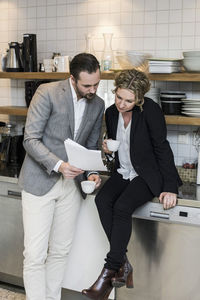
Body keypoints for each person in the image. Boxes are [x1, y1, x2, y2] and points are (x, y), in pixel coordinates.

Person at [82, 69, 182, 300]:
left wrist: (170, 187)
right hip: (122, 171)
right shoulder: (111, 113)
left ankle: (107, 275)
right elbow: (115, 152)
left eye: (129, 101)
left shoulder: (151, 112)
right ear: (115, 91)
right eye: (119, 97)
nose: (122, 104)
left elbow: (162, 148)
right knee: (102, 200)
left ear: (139, 99)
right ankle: (123, 264)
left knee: (122, 206)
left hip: (147, 175)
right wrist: (105, 149)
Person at [18, 53, 105, 300]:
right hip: (40, 182)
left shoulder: (98, 104)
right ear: (72, 78)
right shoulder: (47, 93)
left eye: (96, 84)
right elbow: (30, 139)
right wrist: (58, 165)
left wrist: (92, 173)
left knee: (60, 251)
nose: (93, 90)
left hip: (72, 187)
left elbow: (90, 147)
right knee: (35, 255)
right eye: (87, 85)